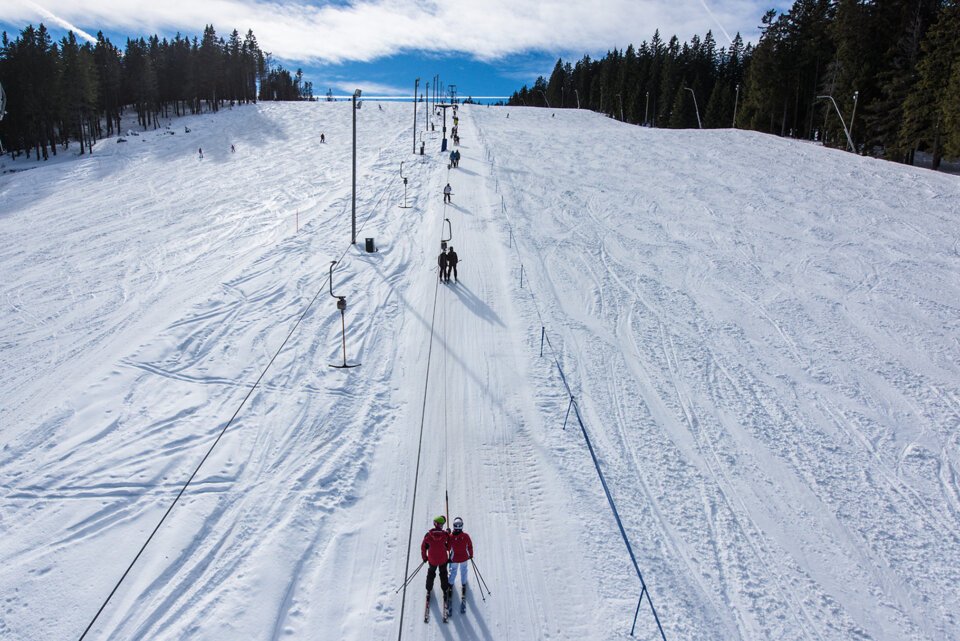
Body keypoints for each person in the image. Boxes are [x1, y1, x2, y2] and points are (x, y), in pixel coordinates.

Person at [421, 515, 452, 601]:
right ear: (441, 525)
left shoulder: (428, 535)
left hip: (432, 560)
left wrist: (424, 557)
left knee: (431, 573)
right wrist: (448, 535)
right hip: (443, 559)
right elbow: (449, 547)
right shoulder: (445, 535)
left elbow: (423, 547)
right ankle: (445, 591)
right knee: (443, 574)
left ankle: (428, 590)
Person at [448, 517, 473, 607]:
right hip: (464, 558)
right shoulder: (466, 536)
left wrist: (447, 535)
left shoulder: (450, 536)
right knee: (464, 571)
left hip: (454, 558)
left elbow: (447, 548)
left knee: (453, 571)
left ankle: (450, 585)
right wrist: (470, 554)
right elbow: (470, 546)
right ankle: (463, 584)